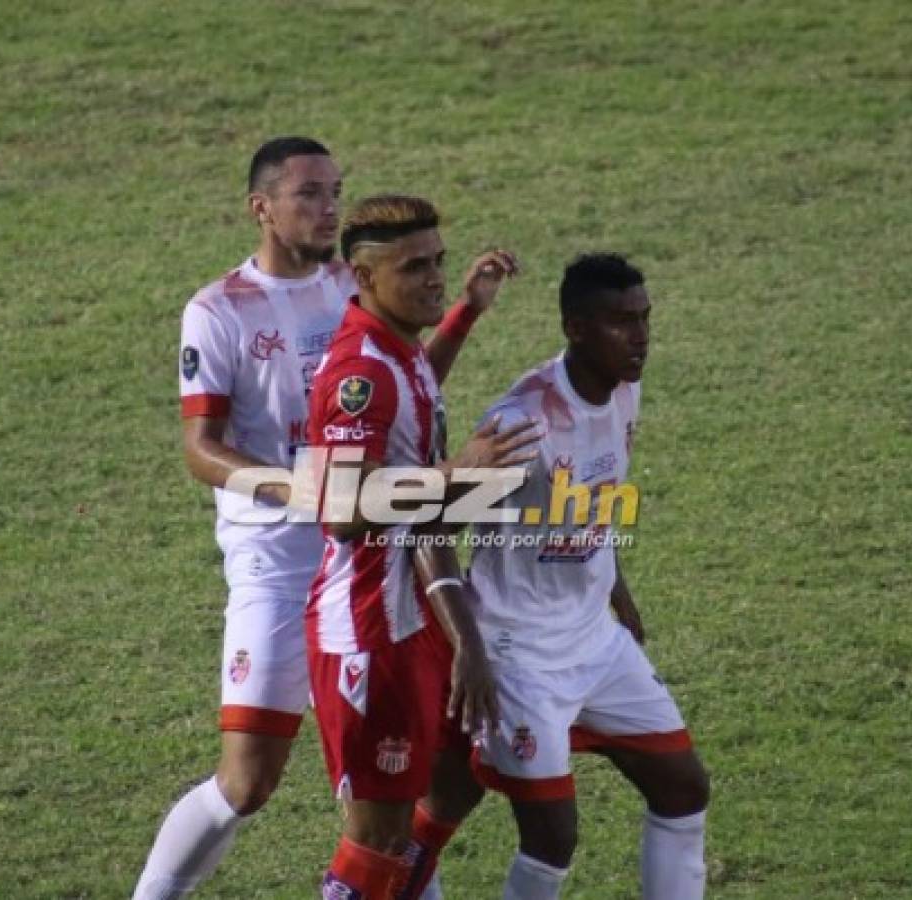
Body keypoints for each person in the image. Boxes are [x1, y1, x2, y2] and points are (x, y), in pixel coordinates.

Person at [133, 141, 523, 899]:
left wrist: (462, 317)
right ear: (263, 208)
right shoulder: (219, 310)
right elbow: (200, 448)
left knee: (395, 792)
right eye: (310, 194)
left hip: (370, 561)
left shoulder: (354, 284)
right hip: (277, 564)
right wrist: (303, 489)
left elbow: (399, 394)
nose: (328, 208)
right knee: (248, 782)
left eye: (335, 192)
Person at [397, 253, 711, 900]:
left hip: (594, 640)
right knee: (552, 836)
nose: (641, 336)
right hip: (517, 654)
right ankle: (390, 868)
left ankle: (404, 858)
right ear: (575, 328)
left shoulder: (625, 388)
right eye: (622, 323)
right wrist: (471, 648)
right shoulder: (524, 425)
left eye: (645, 318)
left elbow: (597, 493)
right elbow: (427, 530)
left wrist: (617, 590)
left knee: (683, 786)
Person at [306, 195, 539, 899]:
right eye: (415, 268)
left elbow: (410, 399)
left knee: (459, 777)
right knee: (374, 839)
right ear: (363, 277)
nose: (434, 276)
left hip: (418, 606)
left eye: (438, 260)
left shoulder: (396, 352)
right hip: (372, 625)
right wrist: (456, 474)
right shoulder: (359, 373)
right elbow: (342, 509)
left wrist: (466, 311)